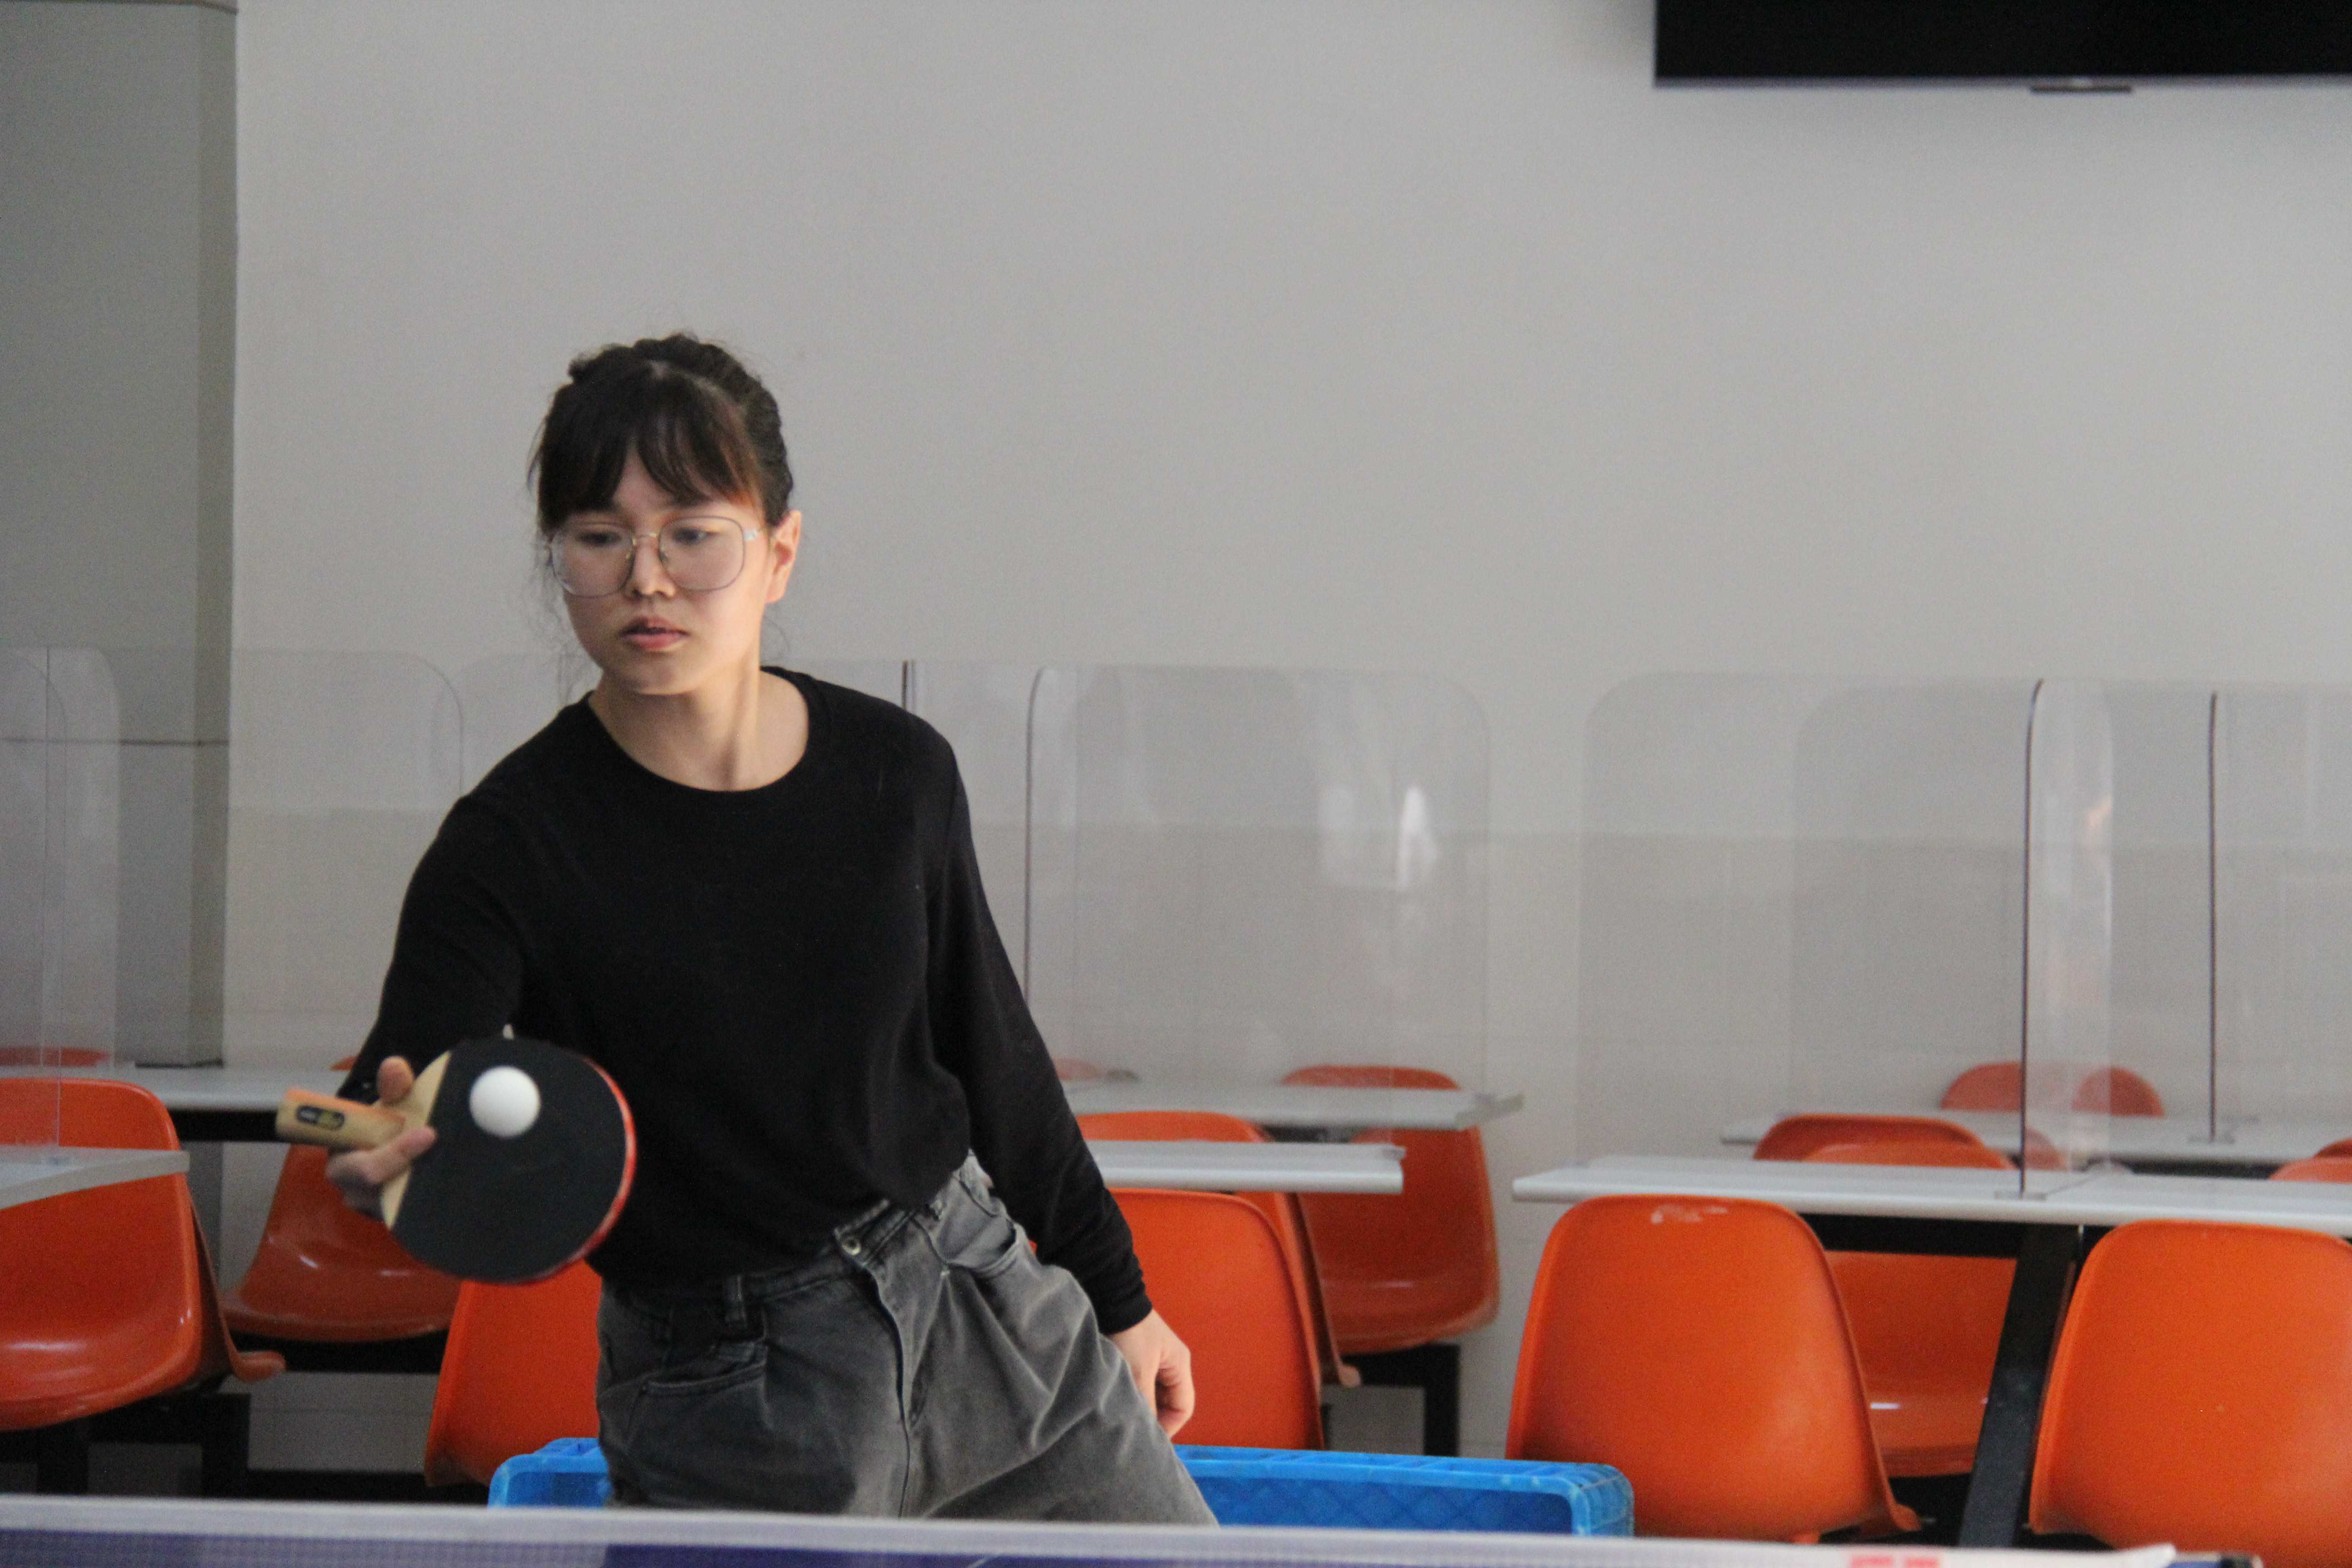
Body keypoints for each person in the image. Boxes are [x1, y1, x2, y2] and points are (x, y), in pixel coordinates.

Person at [327, 334, 1214, 1523]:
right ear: (561, 562)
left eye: (694, 532)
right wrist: (377, 1158)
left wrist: (1121, 1299)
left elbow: (995, 1054)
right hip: (730, 1388)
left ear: (779, 553)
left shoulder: (898, 771)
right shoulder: (510, 841)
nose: (648, 577)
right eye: (600, 536)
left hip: (983, 1309)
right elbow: (390, 1099)